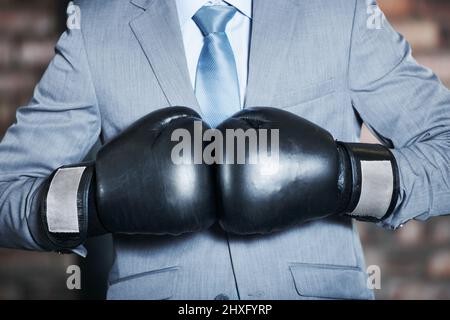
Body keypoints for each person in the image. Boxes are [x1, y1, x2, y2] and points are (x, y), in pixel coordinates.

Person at [0, 0, 449, 300]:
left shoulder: (340, 11)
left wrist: (348, 179)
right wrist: (93, 200)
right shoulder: (96, 26)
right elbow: (6, 191)